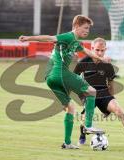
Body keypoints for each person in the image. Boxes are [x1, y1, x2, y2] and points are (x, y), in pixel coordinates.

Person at [19, 15, 110, 149]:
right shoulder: (68, 36)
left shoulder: (76, 42)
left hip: (50, 78)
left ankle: (67, 143)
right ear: (76, 26)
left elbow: (88, 52)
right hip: (59, 73)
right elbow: (50, 38)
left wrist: (102, 60)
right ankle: (88, 125)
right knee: (92, 92)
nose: (87, 31)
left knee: (70, 108)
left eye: (88, 29)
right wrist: (28, 38)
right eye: (85, 28)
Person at [74, 37, 124, 147]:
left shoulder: (108, 65)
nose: (99, 52)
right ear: (92, 48)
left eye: (102, 50)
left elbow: (111, 83)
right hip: (89, 95)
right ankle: (82, 134)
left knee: (119, 111)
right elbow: (74, 79)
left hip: (104, 94)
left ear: (105, 49)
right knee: (86, 119)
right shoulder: (83, 63)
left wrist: (112, 100)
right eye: (97, 50)